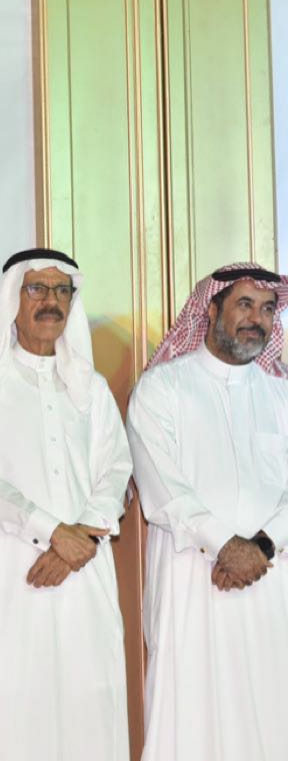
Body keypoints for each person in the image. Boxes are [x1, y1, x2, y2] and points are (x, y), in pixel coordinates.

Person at [0, 248, 132, 760]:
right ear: (13, 299)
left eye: (61, 290)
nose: (51, 301)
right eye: (37, 289)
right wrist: (53, 532)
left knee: (89, 704)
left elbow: (116, 470)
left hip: (85, 571)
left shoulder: (91, 389)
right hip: (9, 574)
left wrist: (80, 536)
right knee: (9, 709)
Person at [127, 262, 288, 761]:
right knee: (190, 714)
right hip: (193, 578)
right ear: (212, 309)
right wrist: (225, 545)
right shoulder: (162, 388)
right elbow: (162, 487)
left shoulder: (281, 394)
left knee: (272, 709)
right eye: (245, 305)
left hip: (271, 579)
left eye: (268, 309)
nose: (257, 320)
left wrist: (261, 547)